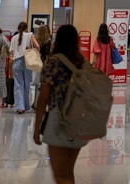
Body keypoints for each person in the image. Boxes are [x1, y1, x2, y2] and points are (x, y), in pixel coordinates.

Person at [31, 24, 89, 184]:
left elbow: (43, 98)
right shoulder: (82, 62)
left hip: (59, 119)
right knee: (68, 173)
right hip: (78, 121)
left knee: (60, 175)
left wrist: (37, 128)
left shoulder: (53, 62)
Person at [11, 21, 38, 114]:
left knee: (18, 85)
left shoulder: (14, 38)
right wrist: (36, 55)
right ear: (26, 28)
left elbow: (11, 52)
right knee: (26, 85)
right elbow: (37, 46)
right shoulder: (30, 35)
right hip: (27, 62)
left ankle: (20, 107)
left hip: (17, 62)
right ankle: (25, 105)